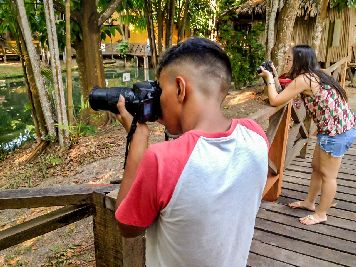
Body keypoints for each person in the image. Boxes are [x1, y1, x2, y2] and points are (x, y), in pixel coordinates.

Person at [114, 37, 269, 266]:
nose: (159, 99)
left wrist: (138, 138)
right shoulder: (256, 135)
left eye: (161, 89)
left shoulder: (162, 159)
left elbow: (127, 227)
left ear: (180, 88)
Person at [258, 44, 356, 225]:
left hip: (336, 133)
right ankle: (310, 202)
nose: (286, 62)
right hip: (340, 128)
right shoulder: (318, 74)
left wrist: (269, 78)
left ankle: (321, 214)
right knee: (317, 167)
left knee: (328, 176)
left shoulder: (304, 79)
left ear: (299, 61)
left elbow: (275, 101)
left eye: (289, 59)